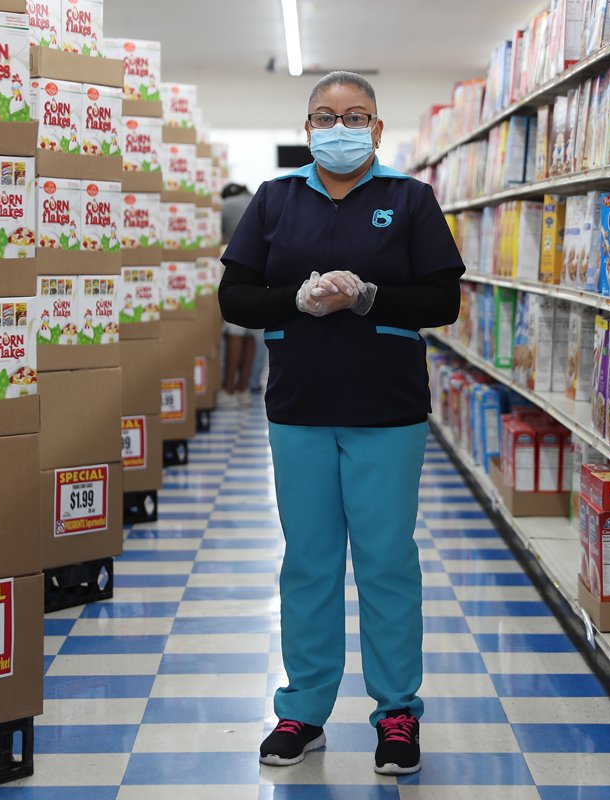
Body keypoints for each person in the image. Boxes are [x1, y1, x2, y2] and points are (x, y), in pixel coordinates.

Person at [218, 70, 464, 776]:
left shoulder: (409, 199)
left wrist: (370, 298)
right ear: (307, 129)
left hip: (387, 410)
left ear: (378, 130)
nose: (340, 127)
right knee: (309, 562)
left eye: (356, 115)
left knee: (387, 562)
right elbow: (236, 295)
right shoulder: (275, 200)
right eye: (325, 116)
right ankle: (302, 709)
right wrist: (294, 299)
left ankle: (395, 714)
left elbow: (442, 299)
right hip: (298, 407)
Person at [218, 183, 258, 408]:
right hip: (262, 275)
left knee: (233, 333)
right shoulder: (260, 200)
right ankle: (243, 389)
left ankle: (229, 391)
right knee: (251, 335)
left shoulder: (224, 205)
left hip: (234, 269)